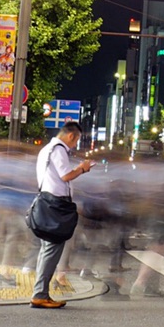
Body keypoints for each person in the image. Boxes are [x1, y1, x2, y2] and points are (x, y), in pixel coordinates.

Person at [30, 121, 95, 309]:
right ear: (71, 136)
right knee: (51, 251)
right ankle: (40, 294)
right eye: (77, 140)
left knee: (46, 251)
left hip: (47, 204)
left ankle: (41, 293)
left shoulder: (46, 150)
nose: (75, 144)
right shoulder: (58, 149)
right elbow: (65, 175)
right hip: (55, 206)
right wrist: (82, 168)